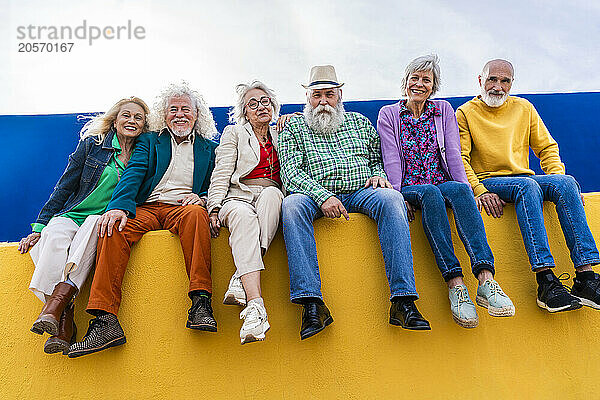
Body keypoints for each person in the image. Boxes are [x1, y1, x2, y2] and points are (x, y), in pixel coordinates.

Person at [68, 82, 219, 357]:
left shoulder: (210, 148)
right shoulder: (150, 141)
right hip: (147, 208)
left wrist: (205, 198)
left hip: (183, 209)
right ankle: (105, 321)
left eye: (186, 109)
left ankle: (201, 302)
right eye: (173, 109)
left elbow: (217, 183)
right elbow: (133, 174)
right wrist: (118, 208)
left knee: (197, 215)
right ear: (165, 114)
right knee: (111, 227)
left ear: (197, 115)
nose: (180, 114)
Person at [279, 65, 430, 340]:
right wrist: (322, 196)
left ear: (339, 96)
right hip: (315, 194)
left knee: (392, 199)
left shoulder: (360, 122)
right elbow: (290, 173)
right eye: (316, 95)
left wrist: (379, 175)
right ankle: (311, 303)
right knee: (291, 206)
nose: (323, 101)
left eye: (329, 95)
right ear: (307, 98)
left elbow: (377, 159)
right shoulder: (293, 127)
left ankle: (403, 300)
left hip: (361, 191)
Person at [377, 55, 515, 328]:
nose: (419, 84)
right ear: (405, 82)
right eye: (414, 78)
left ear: (434, 86)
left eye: (426, 80)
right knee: (430, 193)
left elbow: (453, 155)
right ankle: (456, 286)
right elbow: (390, 157)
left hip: (442, 181)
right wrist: (396, 195)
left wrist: (469, 188)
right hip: (411, 187)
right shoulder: (389, 114)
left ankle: (486, 280)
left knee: (461, 192)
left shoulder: (443, 110)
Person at [457, 59, 600, 313]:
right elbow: (461, 159)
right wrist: (479, 190)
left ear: (512, 84)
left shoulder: (524, 108)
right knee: (528, 187)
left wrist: (557, 179)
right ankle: (545, 281)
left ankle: (586, 278)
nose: (498, 86)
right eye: (492, 79)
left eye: (505, 81)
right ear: (480, 80)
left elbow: (547, 148)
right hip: (492, 180)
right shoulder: (465, 113)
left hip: (524, 179)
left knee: (567, 182)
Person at [18, 96, 150, 354]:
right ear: (115, 119)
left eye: (138, 118)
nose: (131, 121)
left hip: (105, 218)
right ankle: (61, 313)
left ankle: (58, 314)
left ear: (144, 126)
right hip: (74, 213)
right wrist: (39, 227)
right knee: (53, 237)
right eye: (126, 115)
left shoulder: (144, 154)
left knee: (95, 226)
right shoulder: (93, 145)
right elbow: (65, 186)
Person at [207, 80, 284, 344]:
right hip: (237, 195)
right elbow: (222, 171)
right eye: (253, 104)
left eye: (265, 101)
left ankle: (241, 276)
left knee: (274, 195)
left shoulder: (282, 133)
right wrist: (215, 207)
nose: (260, 106)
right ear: (245, 112)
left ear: (272, 106)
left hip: (270, 193)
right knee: (243, 216)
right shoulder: (235, 133)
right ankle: (256, 306)